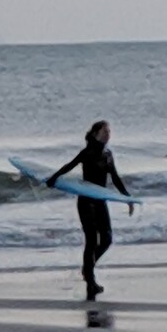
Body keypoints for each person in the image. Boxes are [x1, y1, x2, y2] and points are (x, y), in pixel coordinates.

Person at [47, 120, 132, 298]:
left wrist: (127, 198)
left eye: (109, 131)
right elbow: (69, 166)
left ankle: (87, 269)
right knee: (92, 241)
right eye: (104, 131)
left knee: (107, 239)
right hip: (86, 202)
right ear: (95, 134)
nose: (108, 134)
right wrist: (53, 178)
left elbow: (115, 178)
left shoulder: (108, 154)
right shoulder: (88, 152)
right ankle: (91, 282)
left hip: (100, 201)